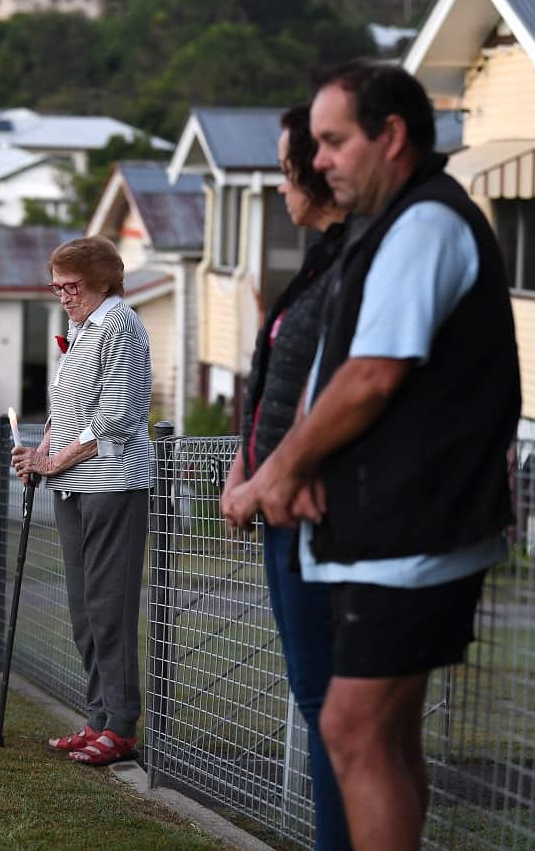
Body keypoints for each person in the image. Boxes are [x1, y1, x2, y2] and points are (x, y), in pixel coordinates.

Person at [226, 60, 521, 850]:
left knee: (352, 728)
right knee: (382, 736)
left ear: (391, 136)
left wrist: (278, 471)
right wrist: (305, 463)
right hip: (398, 529)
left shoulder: (425, 224)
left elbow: (369, 376)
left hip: (414, 531)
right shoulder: (391, 225)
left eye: (333, 141)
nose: (316, 161)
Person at [219, 103, 351, 850]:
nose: (281, 186)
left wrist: (266, 477)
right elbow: (275, 380)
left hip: (305, 507)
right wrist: (243, 461)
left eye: (283, 168)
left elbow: (333, 388)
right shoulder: (320, 258)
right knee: (314, 694)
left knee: (325, 699)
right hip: (271, 503)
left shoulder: (349, 260)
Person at [11, 236, 153, 767]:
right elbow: (63, 409)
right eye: (57, 286)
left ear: (102, 280)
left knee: (107, 607)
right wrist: (38, 453)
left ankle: (121, 726)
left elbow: (114, 419)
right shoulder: (80, 327)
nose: (64, 296)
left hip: (112, 482)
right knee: (82, 610)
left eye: (72, 286)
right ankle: (98, 717)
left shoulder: (122, 326)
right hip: (72, 484)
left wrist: (53, 461)